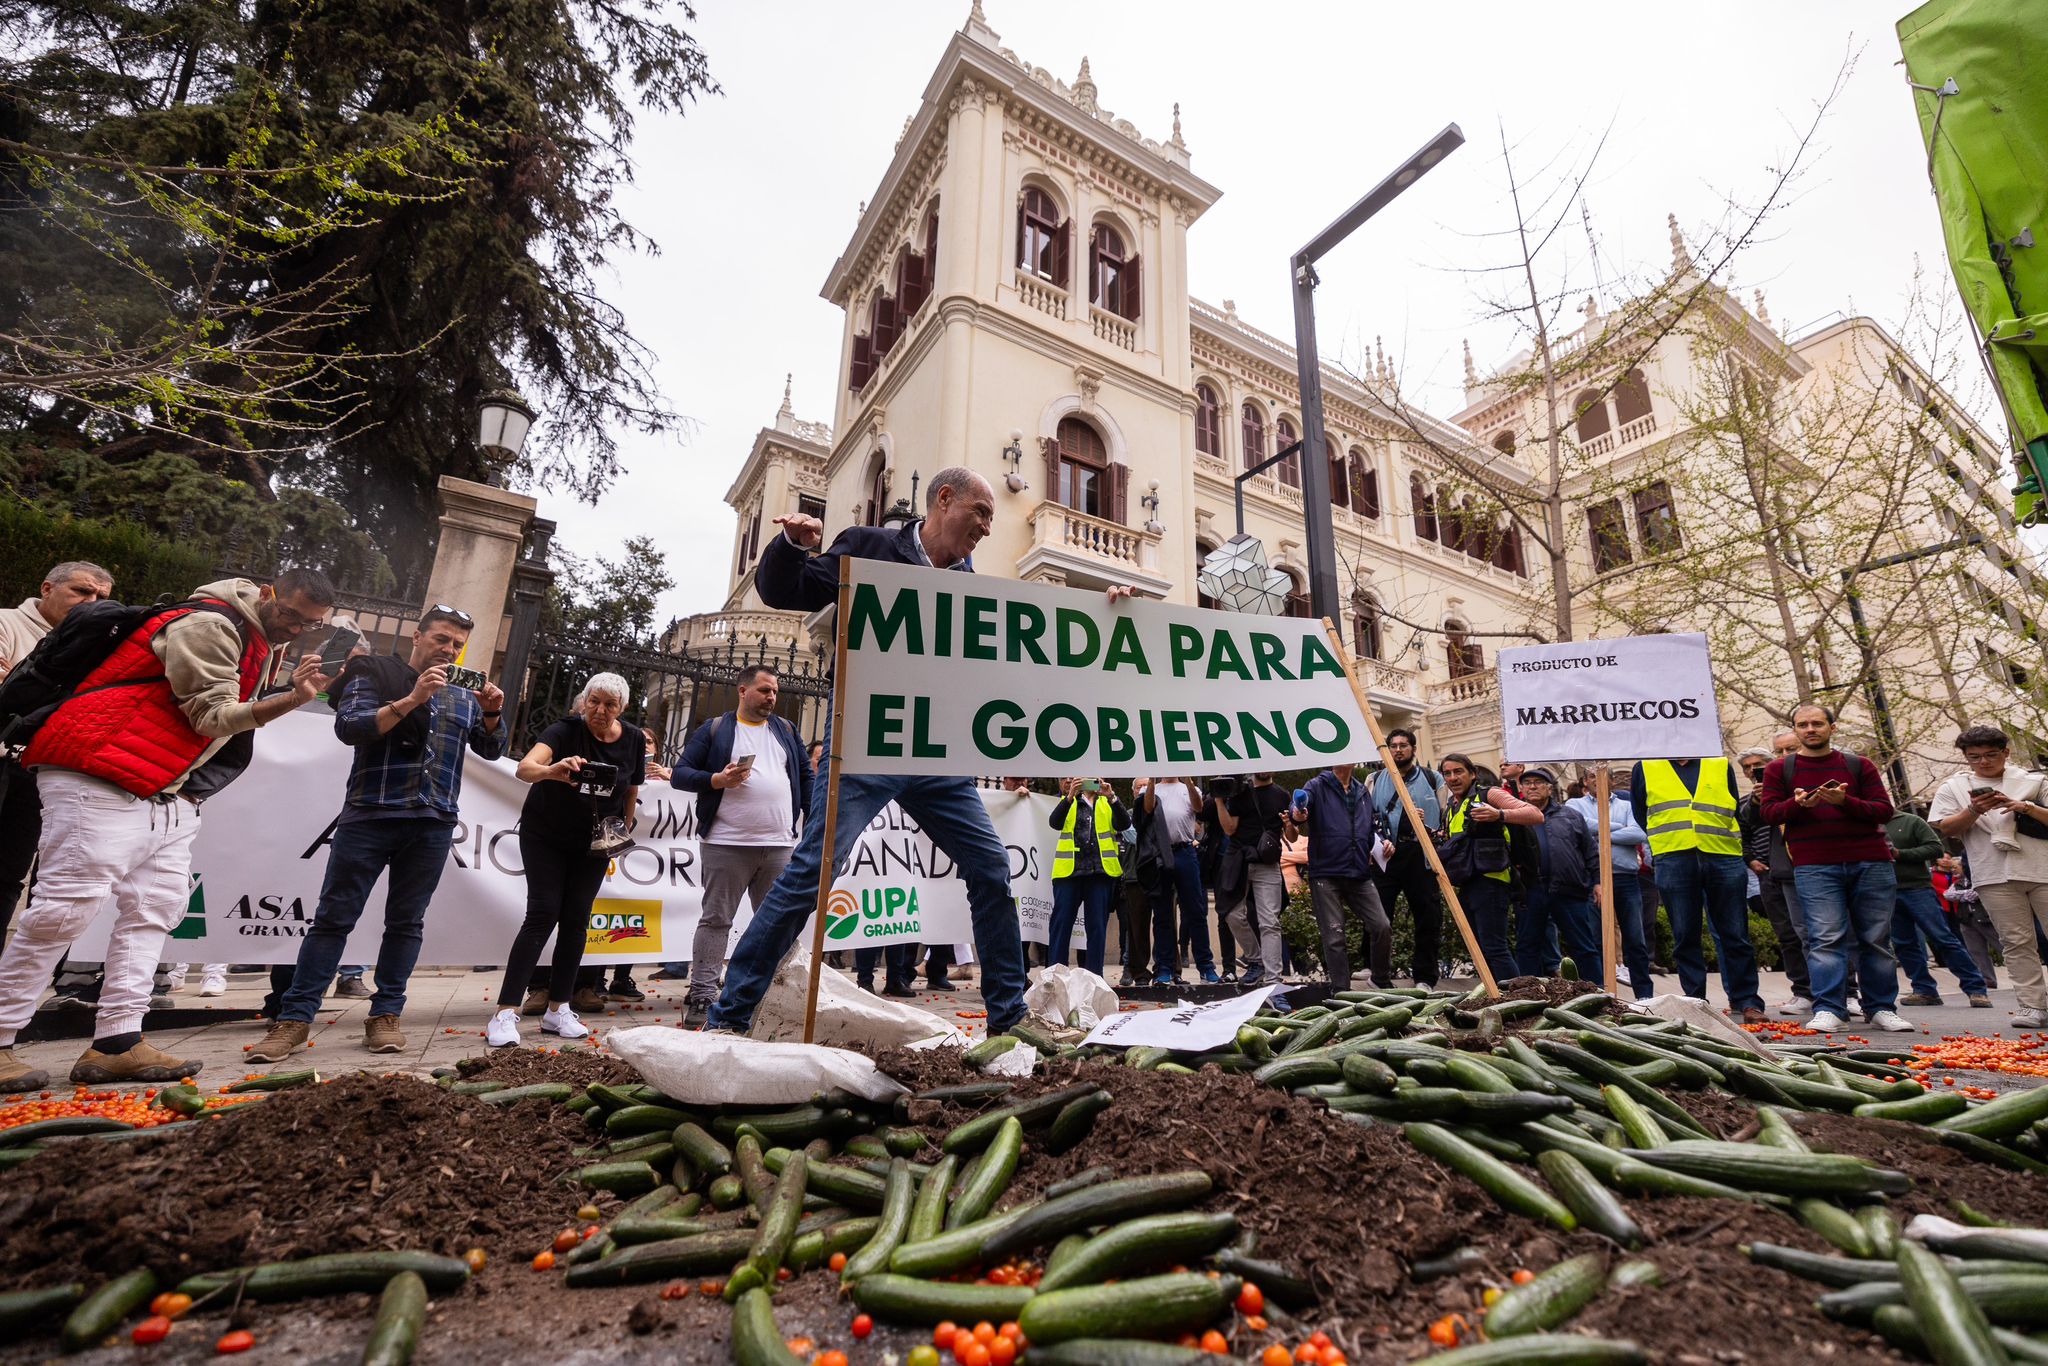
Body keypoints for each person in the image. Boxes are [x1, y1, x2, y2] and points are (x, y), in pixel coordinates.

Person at [705, 467, 1034, 1035]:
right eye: (980, 511)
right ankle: (728, 1017)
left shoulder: (970, 581)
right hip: (865, 741)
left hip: (938, 753)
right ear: (944, 499)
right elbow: (786, 590)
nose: (986, 525)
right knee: (811, 872)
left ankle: (1009, 1019)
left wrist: (1107, 612)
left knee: (991, 867)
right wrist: (789, 545)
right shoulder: (870, 546)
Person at [0, 570, 336, 1092]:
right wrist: (293, 698)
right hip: (99, 767)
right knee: (65, 907)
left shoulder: (259, 640)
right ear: (267, 594)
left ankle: (117, 1041)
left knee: (156, 907)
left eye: (311, 625)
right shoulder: (210, 623)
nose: (296, 629)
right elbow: (210, 716)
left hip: (162, 784)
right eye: (291, 615)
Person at [249, 605, 504, 1062]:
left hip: (433, 820)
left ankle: (386, 1013)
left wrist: (492, 713)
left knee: (406, 923)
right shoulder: (374, 673)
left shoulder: (464, 695)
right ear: (416, 636)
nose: (447, 650)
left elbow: (490, 748)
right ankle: (293, 1019)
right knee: (332, 919)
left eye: (456, 645)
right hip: (371, 814)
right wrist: (412, 699)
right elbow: (351, 728)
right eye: (440, 639)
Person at [485, 673, 644, 1047]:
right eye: (594, 701)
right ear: (583, 701)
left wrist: (622, 826)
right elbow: (525, 768)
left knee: (577, 920)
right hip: (545, 835)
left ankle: (559, 1009)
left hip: (592, 841)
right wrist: (552, 771)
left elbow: (632, 787)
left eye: (609, 704)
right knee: (542, 914)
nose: (600, 710)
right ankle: (505, 1013)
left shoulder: (634, 738)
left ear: (621, 709)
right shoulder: (564, 730)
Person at [669, 663, 810, 1027]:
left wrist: (815, 816)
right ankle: (702, 994)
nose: (772, 697)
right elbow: (681, 774)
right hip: (726, 843)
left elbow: (806, 778)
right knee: (717, 919)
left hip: (779, 845)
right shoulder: (715, 729)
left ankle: (772, 995)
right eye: (764, 690)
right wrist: (717, 779)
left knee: (778, 923)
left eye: (775, 691)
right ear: (742, 690)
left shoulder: (786, 729)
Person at [1756, 703, 1908, 1034]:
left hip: (1870, 861)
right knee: (1825, 938)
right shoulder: (1779, 770)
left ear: (1831, 728)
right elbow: (1768, 813)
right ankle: (1829, 1007)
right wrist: (1796, 805)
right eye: (1803, 724)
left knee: (1876, 938)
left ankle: (1881, 1007)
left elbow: (1884, 810)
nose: (1810, 729)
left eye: (1817, 723)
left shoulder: (1858, 765)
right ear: (1795, 730)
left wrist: (1845, 802)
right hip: (1814, 865)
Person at [0, 560, 114, 943]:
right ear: (47, 588)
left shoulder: (99, 644)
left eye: (100, 596)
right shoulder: (5, 623)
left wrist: (19, 676)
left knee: (9, 875)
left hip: (39, 772)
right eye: (81, 591)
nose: (90, 602)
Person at [1928, 723, 2048, 1029]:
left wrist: (2025, 807)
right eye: (1974, 756)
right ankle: (2032, 1005)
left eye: (1991, 754)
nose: (1983, 762)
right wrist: (1974, 809)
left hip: (2041, 867)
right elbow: (1946, 828)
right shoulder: (1953, 787)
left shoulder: (2033, 781)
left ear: (2006, 752)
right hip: (1992, 872)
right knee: (2016, 941)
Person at [1632, 752, 1766, 1023]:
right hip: (1673, 856)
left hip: (1723, 855)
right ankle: (1695, 1002)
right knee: (1685, 934)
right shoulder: (1645, 767)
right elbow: (1641, 813)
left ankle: (1747, 1001)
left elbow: (1731, 808)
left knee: (1735, 934)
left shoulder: (1718, 763)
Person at [1437, 754, 1542, 982]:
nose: (1453, 777)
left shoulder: (1489, 794)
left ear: (1472, 773)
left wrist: (1499, 814)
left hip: (1492, 882)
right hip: (1467, 883)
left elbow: (1535, 815)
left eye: (1458, 771)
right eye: (1447, 773)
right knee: (1481, 952)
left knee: (1495, 948)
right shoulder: (1452, 807)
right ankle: (1496, 999)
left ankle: (1517, 1001)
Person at [1291, 761, 1393, 991]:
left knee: (1382, 926)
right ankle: (1341, 993)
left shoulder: (1362, 791)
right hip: (1326, 873)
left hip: (1358, 872)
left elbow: (1370, 830)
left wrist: (1383, 843)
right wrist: (1298, 812)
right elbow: (1298, 811)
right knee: (1335, 936)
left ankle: (1380, 980)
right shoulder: (1316, 785)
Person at [1736, 739, 1815, 1017]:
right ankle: (1803, 991)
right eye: (1748, 768)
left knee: (1819, 932)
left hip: (1804, 867)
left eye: (1759, 765)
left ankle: (1845, 991)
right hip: (1768, 874)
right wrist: (1750, 860)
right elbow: (1746, 831)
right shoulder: (1747, 803)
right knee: (1788, 935)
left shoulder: (1797, 794)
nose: (1753, 770)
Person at [1887, 802, 1992, 1009]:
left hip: (1917, 888)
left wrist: (1901, 854)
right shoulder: (1863, 824)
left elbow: (1935, 848)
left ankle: (1975, 988)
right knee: (1903, 943)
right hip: (1885, 891)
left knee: (1942, 937)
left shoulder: (1910, 821)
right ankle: (1924, 990)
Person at [1565, 768, 1655, 999]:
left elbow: (1638, 833)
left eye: (1603, 775)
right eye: (1593, 776)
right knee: (1595, 939)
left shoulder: (1627, 805)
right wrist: (1616, 827)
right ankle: (1598, 994)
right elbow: (1580, 827)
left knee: (1635, 939)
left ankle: (1644, 994)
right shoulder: (1575, 805)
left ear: (1612, 780)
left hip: (1625, 878)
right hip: (1592, 880)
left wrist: (1600, 831)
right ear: (1586, 781)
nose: (1598, 780)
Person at [1371, 730, 1448, 986]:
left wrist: (1428, 827)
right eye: (1392, 746)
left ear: (1413, 748)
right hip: (1387, 855)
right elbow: (1365, 819)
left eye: (1403, 745)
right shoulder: (1374, 780)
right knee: (1378, 915)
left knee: (1428, 916)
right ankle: (1376, 971)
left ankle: (1425, 977)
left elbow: (1446, 816)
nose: (1398, 750)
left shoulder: (1432, 778)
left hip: (1421, 855)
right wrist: (1378, 842)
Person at [1515, 768, 1601, 979]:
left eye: (1538, 782)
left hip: (1569, 890)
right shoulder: (1515, 818)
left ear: (1549, 788)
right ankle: (1530, 995)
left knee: (1584, 946)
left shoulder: (1571, 815)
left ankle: (1598, 992)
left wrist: (1598, 882)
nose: (1532, 786)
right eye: (1527, 783)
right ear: (1521, 789)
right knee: (1528, 946)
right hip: (1530, 891)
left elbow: (1590, 852)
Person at [1132, 776, 1218, 985]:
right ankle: (1164, 968)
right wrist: (1152, 780)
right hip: (1160, 853)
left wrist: (1188, 780)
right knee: (1162, 914)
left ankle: (1206, 967)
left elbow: (1198, 808)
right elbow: (1148, 809)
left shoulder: (1190, 789)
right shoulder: (1150, 789)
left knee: (1195, 911)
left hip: (1185, 851)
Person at [1046, 777, 1128, 975]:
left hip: (1099, 874)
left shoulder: (1106, 803)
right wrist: (1069, 797)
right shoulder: (1069, 800)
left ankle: (1094, 979)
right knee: (1061, 926)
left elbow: (1124, 823)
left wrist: (1112, 797)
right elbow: (1054, 823)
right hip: (1069, 873)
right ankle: (1056, 978)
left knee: (1097, 929)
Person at [1217, 772, 1290, 988]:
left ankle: (1273, 981)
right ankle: (1256, 960)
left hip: (1267, 863)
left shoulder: (1282, 795)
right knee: (1231, 914)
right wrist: (1220, 800)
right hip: (1239, 861)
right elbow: (1230, 829)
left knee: (1270, 922)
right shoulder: (1240, 794)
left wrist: (1293, 822)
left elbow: (1292, 836)